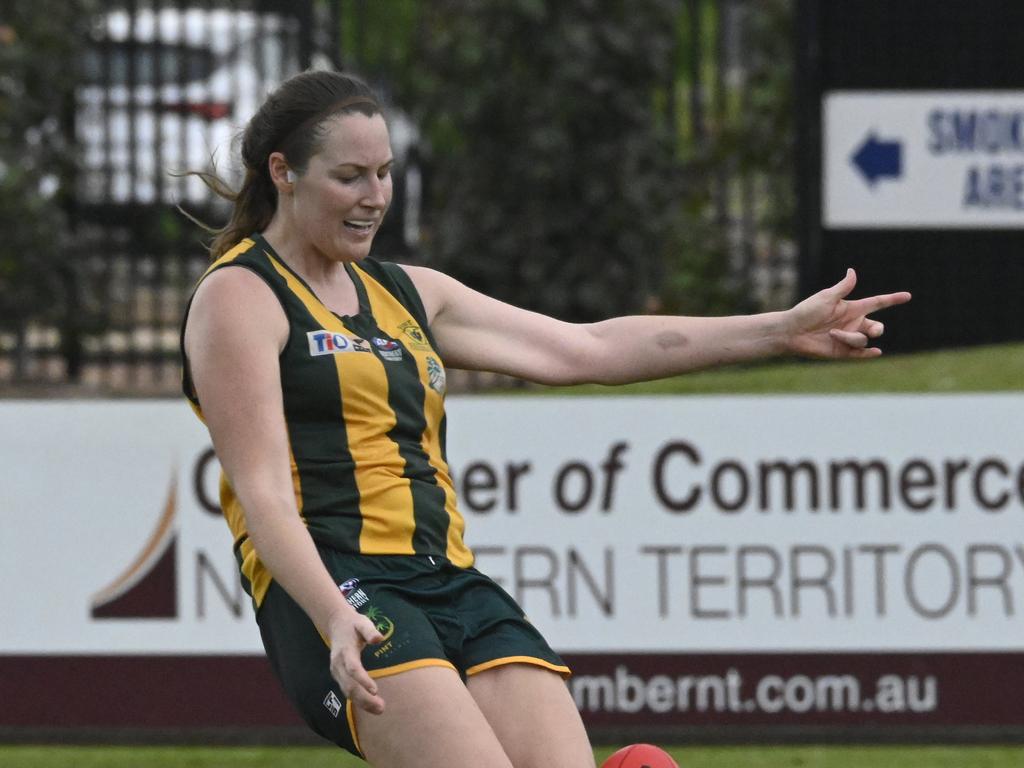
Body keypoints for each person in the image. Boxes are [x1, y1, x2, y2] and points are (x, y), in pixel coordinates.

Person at [180, 70, 910, 768]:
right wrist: (333, 614)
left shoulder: (408, 294)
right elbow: (265, 494)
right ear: (283, 172)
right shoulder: (240, 297)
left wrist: (778, 331)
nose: (377, 197)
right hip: (338, 588)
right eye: (350, 177)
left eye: (386, 173)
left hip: (451, 582)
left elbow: (586, 347)